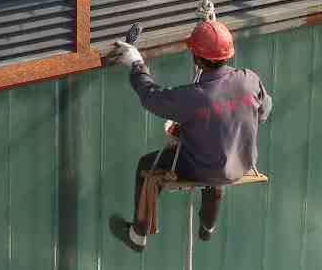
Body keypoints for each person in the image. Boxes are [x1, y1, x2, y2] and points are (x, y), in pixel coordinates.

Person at [105, 19, 272, 253]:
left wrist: (136, 63)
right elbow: (263, 112)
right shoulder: (250, 79)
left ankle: (137, 235)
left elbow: (152, 96)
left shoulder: (195, 97)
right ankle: (207, 227)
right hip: (241, 164)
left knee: (148, 166)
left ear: (196, 56)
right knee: (217, 166)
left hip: (205, 167)